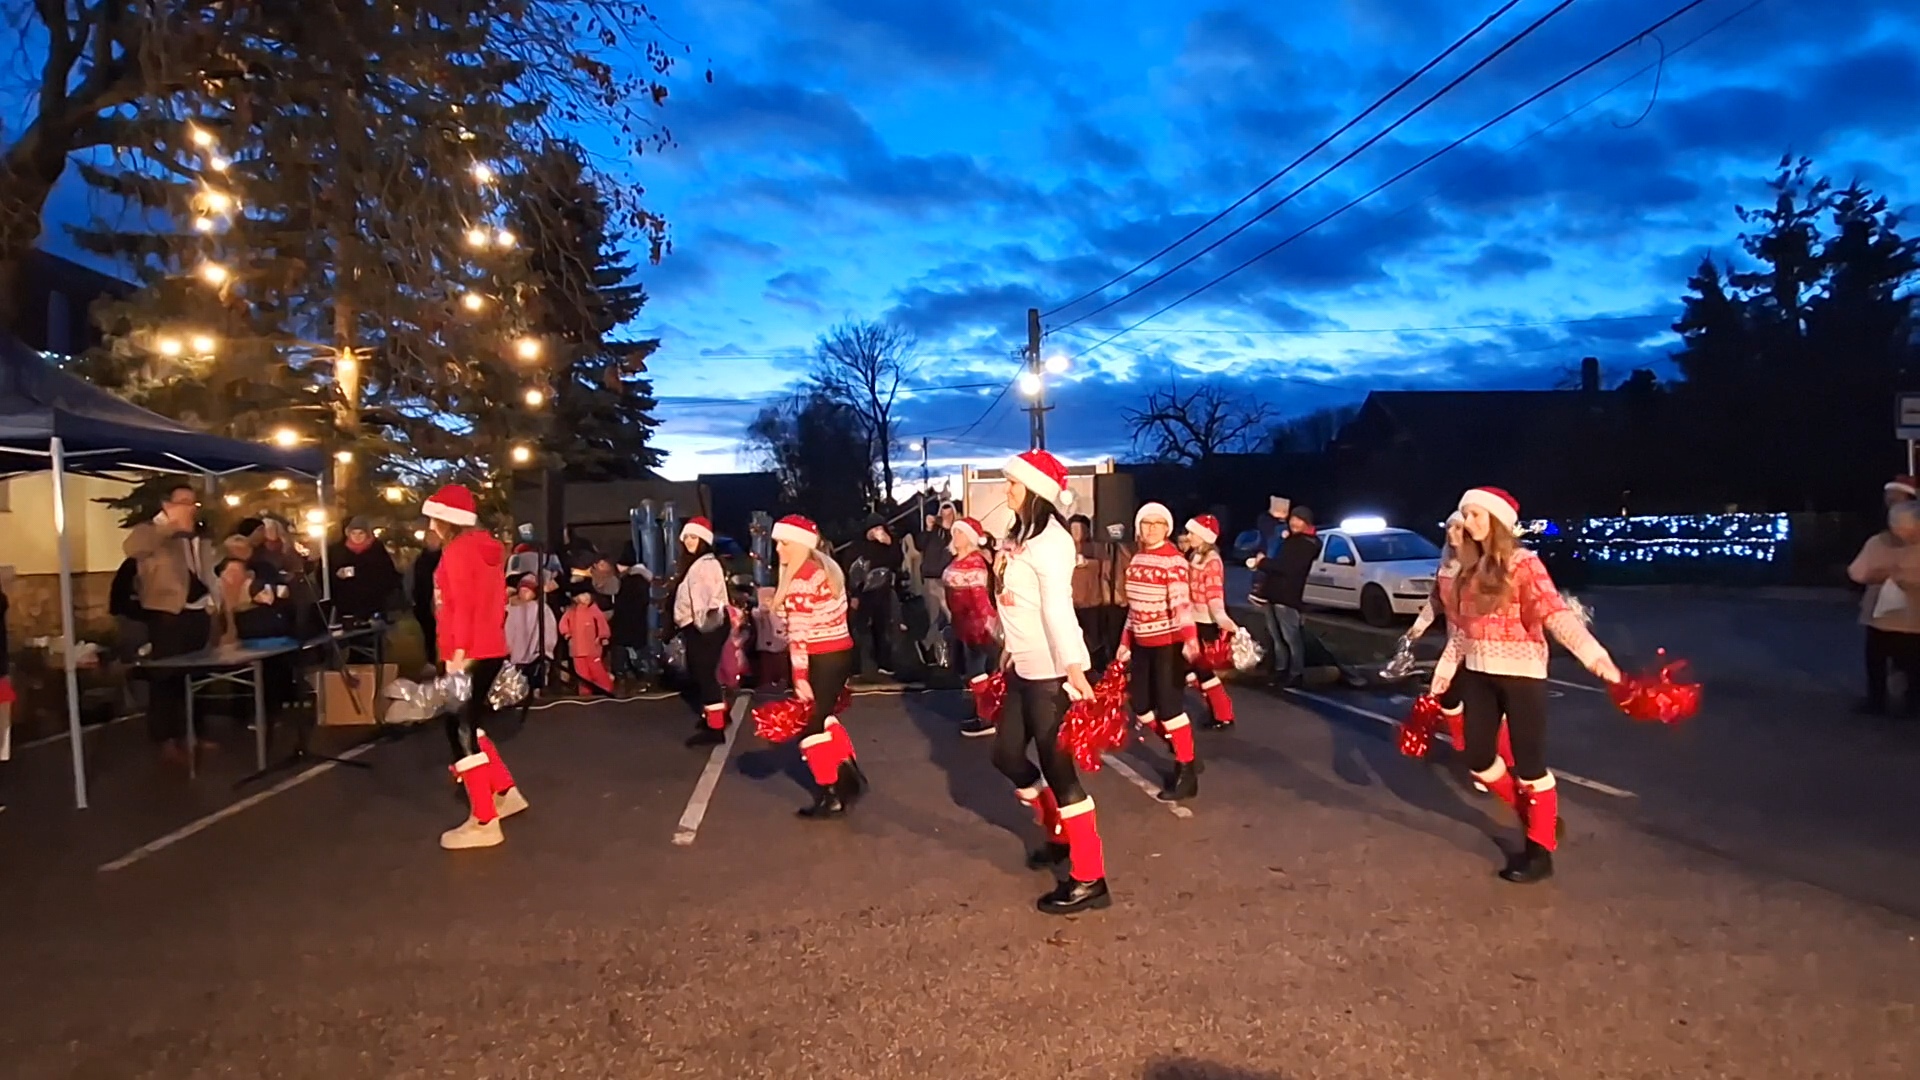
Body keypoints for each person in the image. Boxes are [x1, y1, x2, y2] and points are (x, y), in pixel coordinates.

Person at [1428, 486, 1621, 884]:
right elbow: (1462, 632)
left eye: (1476, 515)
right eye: (1466, 515)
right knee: (1479, 758)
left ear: (1498, 521)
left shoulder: (1524, 564)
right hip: (1478, 672)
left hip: (1523, 676)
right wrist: (1444, 673)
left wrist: (1593, 655)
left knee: (1530, 767)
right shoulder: (1468, 569)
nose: (1468, 523)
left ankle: (1539, 852)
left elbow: (1554, 612)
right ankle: (1535, 817)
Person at [992, 450, 1108, 914]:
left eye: (1013, 484)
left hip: (1051, 672)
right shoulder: (1019, 536)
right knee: (1005, 755)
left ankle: (1090, 876)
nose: (1006, 490)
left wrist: (1074, 667)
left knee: (1060, 773)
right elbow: (1014, 600)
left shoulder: (1052, 541)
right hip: (1023, 666)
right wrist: (1008, 646)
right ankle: (1058, 833)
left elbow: (1058, 607)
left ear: (1035, 491)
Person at [423, 483, 525, 852]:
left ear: (446, 519)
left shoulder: (457, 551)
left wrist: (457, 651)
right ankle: (504, 792)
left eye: (433, 518)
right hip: (490, 647)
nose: (430, 525)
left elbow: (460, 605)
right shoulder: (486, 550)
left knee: (460, 728)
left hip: (467, 652)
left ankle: (484, 820)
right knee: (471, 722)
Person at [771, 514, 863, 819]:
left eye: (784, 543)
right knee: (823, 718)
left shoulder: (801, 578)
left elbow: (799, 635)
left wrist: (799, 676)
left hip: (819, 656)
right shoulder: (826, 570)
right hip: (839, 653)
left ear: (800, 544)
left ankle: (832, 791)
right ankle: (845, 776)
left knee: (810, 726)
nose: (778, 549)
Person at [125, 483, 219, 765]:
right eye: (184, 502)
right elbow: (132, 548)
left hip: (197, 612)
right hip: (168, 613)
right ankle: (166, 739)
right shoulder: (151, 531)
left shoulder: (197, 534)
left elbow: (207, 569)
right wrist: (168, 526)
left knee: (197, 676)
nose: (191, 508)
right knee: (166, 677)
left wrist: (214, 602)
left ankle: (194, 733)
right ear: (168, 505)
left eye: (193, 503)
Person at [1115, 502, 1202, 802]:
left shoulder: (1173, 561)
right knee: (1140, 706)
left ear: (1167, 528)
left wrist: (1190, 640)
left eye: (1158, 524)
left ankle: (1186, 772)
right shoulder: (1138, 558)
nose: (1151, 529)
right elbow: (1134, 607)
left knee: (1169, 708)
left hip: (1167, 644)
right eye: (1146, 523)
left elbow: (1181, 604)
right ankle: (1183, 751)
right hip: (1142, 644)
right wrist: (1125, 641)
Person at [1846, 500, 1920, 715]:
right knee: (1880, 660)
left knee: (1911, 662)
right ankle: (1879, 701)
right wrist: (1879, 575)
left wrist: (1904, 577)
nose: (1905, 537)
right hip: (1882, 614)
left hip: (1910, 615)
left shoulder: (1878, 542)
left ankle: (1908, 703)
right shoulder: (1877, 543)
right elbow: (1857, 572)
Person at [675, 517, 734, 746]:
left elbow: (706, 599)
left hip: (705, 625)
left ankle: (715, 728)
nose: (689, 541)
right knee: (703, 673)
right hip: (702, 625)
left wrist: (701, 625)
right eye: (687, 537)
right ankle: (716, 715)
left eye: (694, 537)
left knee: (704, 674)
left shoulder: (705, 564)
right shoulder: (699, 563)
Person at [943, 515, 1001, 738]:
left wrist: (988, 626)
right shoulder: (957, 560)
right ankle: (983, 711)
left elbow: (980, 600)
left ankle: (987, 718)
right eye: (955, 532)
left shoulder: (975, 562)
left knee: (978, 671)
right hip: (962, 624)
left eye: (960, 532)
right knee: (973, 671)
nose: (955, 535)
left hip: (976, 626)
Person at [1250, 505, 1320, 687]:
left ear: (1307, 523)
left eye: (1299, 520)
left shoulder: (1308, 544)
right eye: (1293, 519)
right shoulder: (1288, 539)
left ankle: (1296, 673)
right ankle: (1281, 669)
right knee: (1276, 637)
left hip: (1287, 596)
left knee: (1291, 638)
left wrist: (1263, 563)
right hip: (1272, 593)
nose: (1294, 523)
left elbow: (1288, 568)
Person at [1183, 514, 1240, 730]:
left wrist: (1222, 619)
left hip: (1205, 622)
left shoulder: (1212, 561)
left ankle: (1223, 713)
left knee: (1203, 670)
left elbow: (1214, 594)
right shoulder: (1195, 556)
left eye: (1192, 533)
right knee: (1195, 670)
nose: (1188, 536)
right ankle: (1217, 709)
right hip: (1192, 619)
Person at [842, 515, 903, 676]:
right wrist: (854, 594)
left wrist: (891, 544)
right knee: (857, 630)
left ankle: (884, 663)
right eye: (875, 528)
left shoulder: (887, 546)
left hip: (882, 592)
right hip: (862, 594)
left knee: (883, 629)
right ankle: (854, 667)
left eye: (881, 528)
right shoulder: (857, 547)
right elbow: (851, 570)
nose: (878, 532)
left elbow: (897, 562)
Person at [327, 517, 401, 624]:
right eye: (354, 533)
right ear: (348, 533)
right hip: (347, 604)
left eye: (361, 533)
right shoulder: (338, 551)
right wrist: (337, 575)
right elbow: (328, 574)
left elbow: (386, 573)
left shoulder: (376, 549)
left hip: (373, 602)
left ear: (367, 534)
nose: (357, 537)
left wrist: (358, 572)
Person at [916, 501, 958, 667]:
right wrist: (928, 528)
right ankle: (931, 650)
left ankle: (928, 646)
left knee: (946, 616)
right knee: (937, 615)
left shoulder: (956, 532)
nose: (946, 517)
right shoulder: (934, 531)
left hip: (949, 578)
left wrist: (949, 530)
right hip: (932, 578)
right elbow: (920, 545)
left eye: (950, 514)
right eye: (943, 514)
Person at [505, 574, 559, 691]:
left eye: (528, 590)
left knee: (533, 684)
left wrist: (545, 651)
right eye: (522, 589)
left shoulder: (541, 609)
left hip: (534, 656)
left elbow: (549, 630)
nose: (524, 592)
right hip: (511, 657)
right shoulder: (509, 609)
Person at [559, 584, 613, 696]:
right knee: (582, 674)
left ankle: (606, 689)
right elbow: (563, 624)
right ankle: (585, 694)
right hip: (576, 649)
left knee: (597, 671)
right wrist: (567, 635)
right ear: (575, 598)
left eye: (587, 594)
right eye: (582, 595)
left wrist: (603, 636)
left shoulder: (594, 610)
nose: (586, 597)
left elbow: (602, 624)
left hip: (592, 648)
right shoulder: (571, 611)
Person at [411, 526, 443, 666]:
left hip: (441, 601)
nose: (432, 540)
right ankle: (431, 660)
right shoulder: (421, 559)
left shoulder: (445, 557)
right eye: (430, 537)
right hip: (424, 602)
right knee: (429, 634)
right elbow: (417, 581)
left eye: (435, 537)